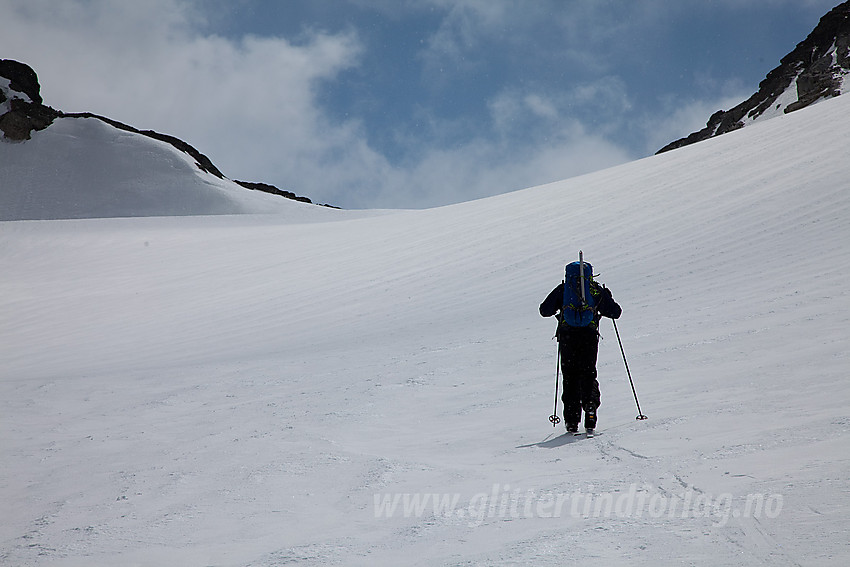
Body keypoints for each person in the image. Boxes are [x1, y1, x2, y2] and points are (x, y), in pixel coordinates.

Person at [539, 263, 621, 433]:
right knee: (588, 373)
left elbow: (544, 310)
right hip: (589, 337)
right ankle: (590, 407)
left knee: (570, 377)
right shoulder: (595, 290)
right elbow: (615, 312)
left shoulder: (564, 289)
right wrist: (606, 297)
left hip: (568, 338)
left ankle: (571, 420)